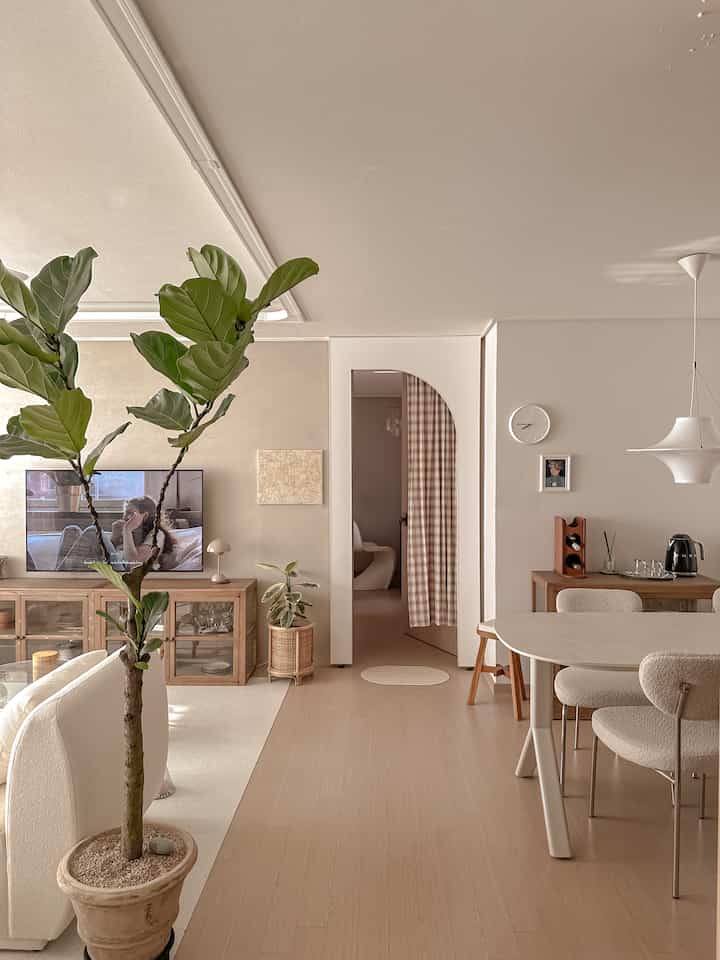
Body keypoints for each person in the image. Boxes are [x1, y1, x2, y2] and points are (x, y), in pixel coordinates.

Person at [56, 496, 175, 572]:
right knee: (71, 530)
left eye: (130, 513)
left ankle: (57, 580)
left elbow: (134, 565)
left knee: (94, 531)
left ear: (145, 516)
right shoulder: (131, 533)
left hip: (125, 577)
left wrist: (127, 531)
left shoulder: (157, 534)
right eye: (124, 513)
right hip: (107, 569)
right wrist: (114, 539)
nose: (124, 517)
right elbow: (107, 556)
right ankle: (57, 577)